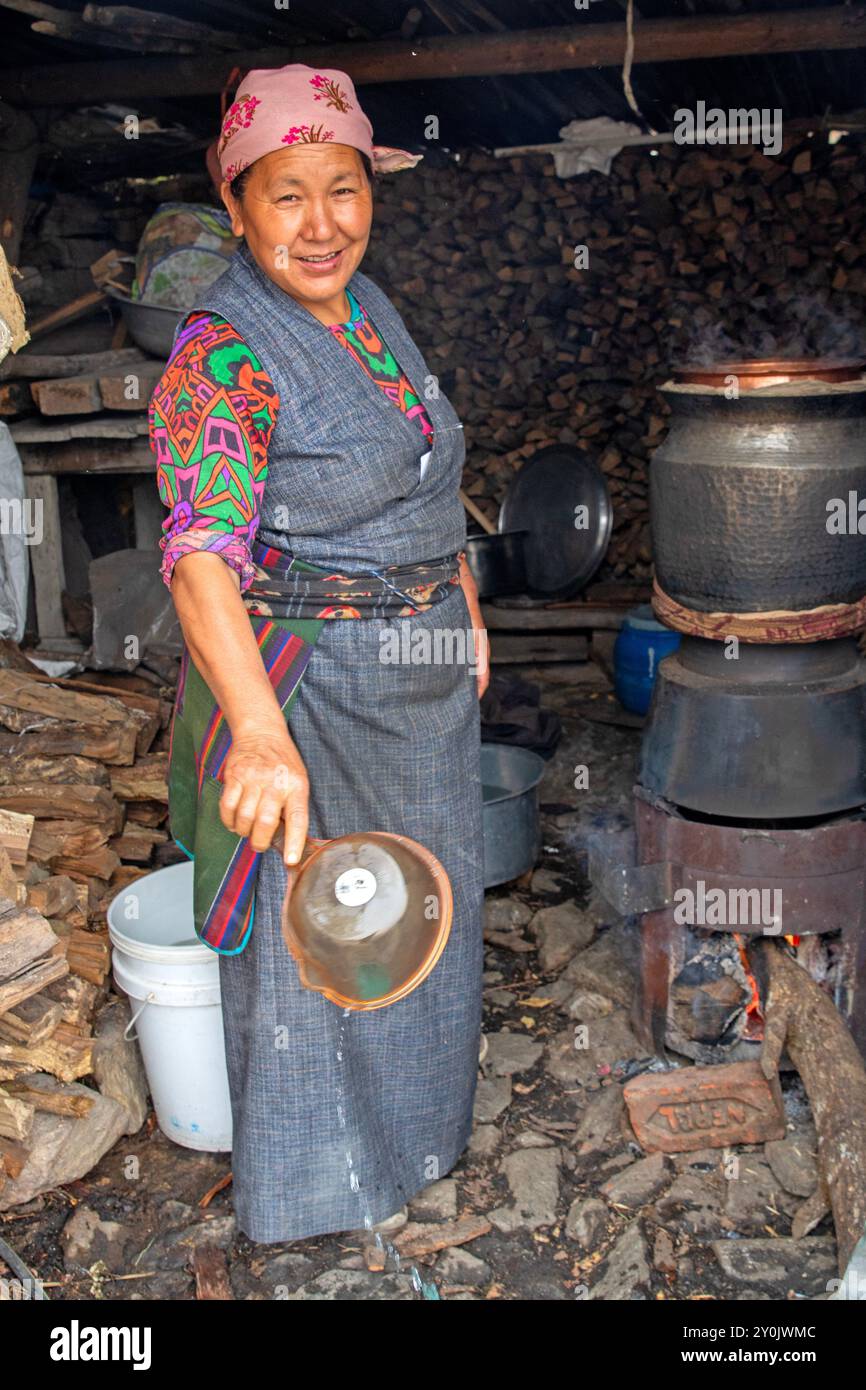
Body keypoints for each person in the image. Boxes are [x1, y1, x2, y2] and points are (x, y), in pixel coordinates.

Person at [148, 63, 489, 1243]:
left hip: (423, 683)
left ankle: (417, 1142)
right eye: (286, 195)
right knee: (321, 942)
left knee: (421, 920)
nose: (320, 224)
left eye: (340, 190)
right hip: (316, 692)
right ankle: (312, 1192)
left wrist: (459, 595)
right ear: (237, 206)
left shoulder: (366, 306)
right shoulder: (223, 355)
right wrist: (257, 730)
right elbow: (200, 556)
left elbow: (424, 466)